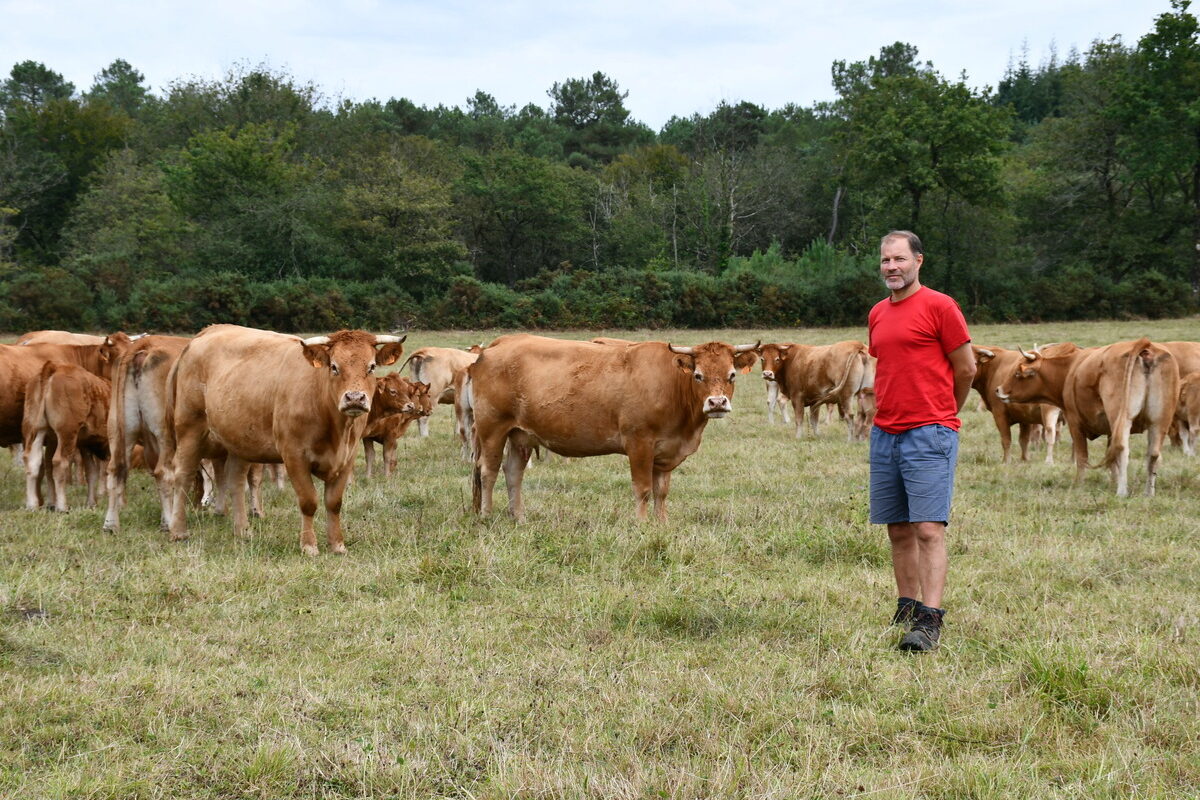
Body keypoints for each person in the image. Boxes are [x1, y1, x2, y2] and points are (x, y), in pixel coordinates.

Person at [868, 231, 976, 652]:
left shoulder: (940, 306)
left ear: (918, 261)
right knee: (897, 527)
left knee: (928, 527)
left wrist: (945, 414)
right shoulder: (878, 313)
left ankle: (930, 621)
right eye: (885, 261)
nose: (891, 267)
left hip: (929, 431)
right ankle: (907, 606)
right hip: (885, 432)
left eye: (899, 259)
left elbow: (965, 368)